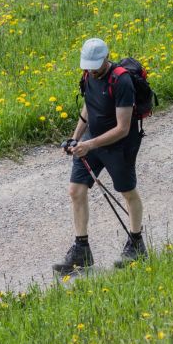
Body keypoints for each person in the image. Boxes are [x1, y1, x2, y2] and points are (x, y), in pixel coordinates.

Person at [53, 38, 148, 275]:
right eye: (88, 66)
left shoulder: (121, 80)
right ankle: (81, 250)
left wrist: (89, 144)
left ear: (106, 58)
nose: (92, 70)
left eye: (96, 65)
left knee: (127, 192)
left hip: (119, 145)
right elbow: (88, 106)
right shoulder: (88, 76)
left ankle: (137, 244)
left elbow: (123, 128)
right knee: (76, 190)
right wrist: (76, 138)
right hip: (92, 141)